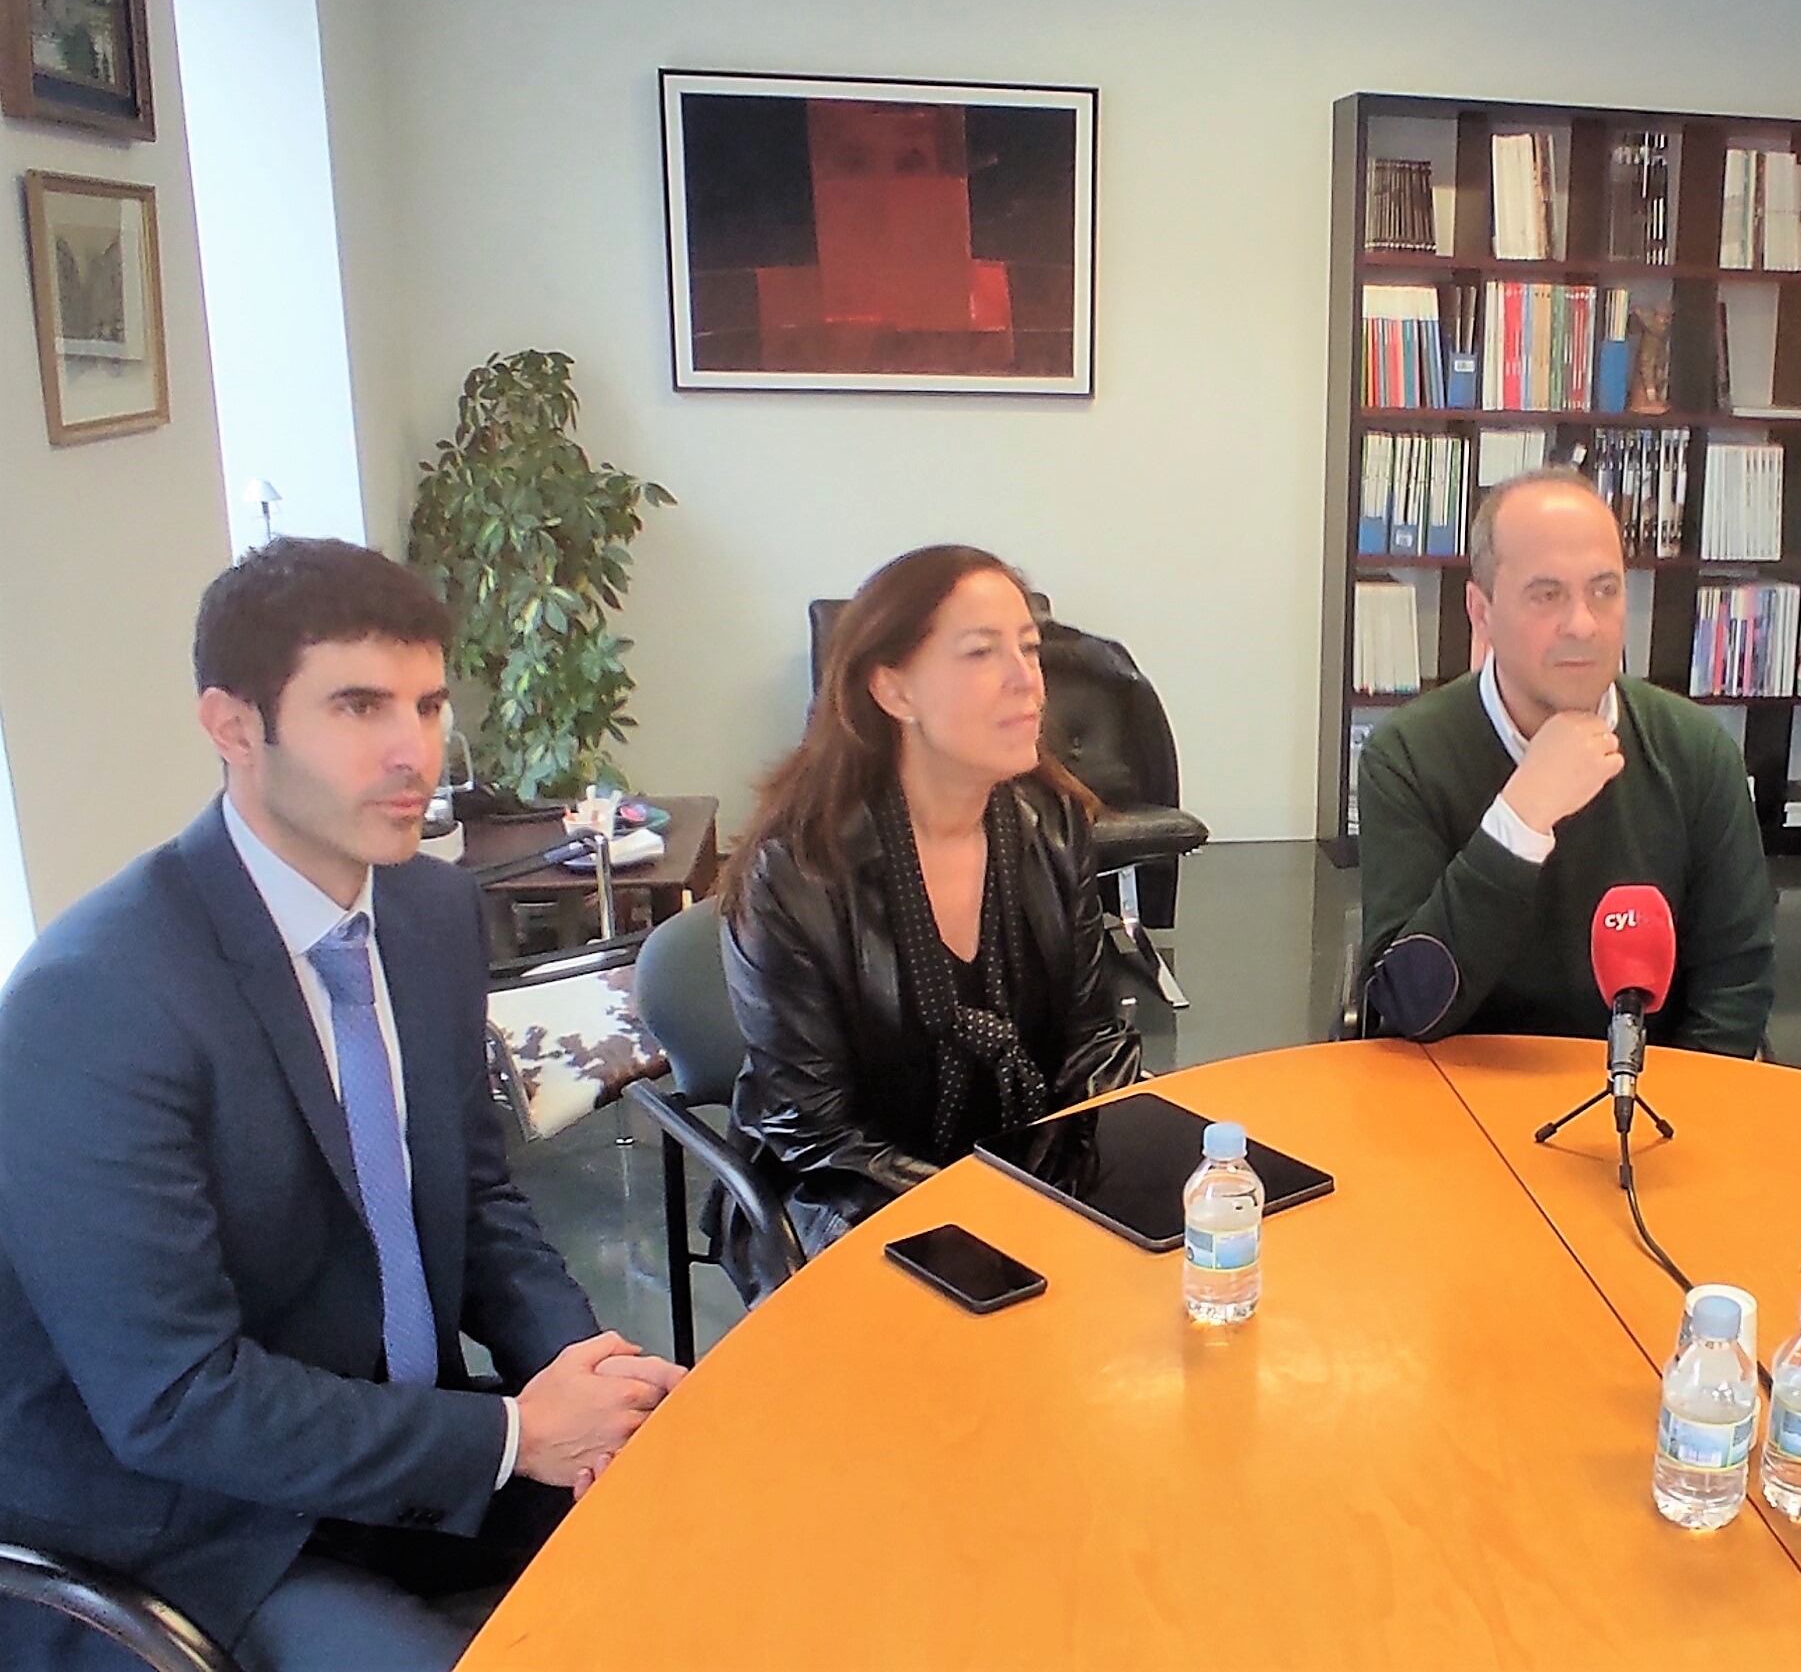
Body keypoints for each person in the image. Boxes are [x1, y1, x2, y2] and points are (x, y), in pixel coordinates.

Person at [0, 539, 684, 1672]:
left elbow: (475, 1195)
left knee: (709, 1538)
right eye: (357, 705)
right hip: (184, 1525)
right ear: (232, 725)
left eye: (425, 703)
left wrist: (590, 1374)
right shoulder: (93, 1004)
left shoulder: (424, 910)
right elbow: (176, 1398)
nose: (410, 749)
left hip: (383, 1441)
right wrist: (517, 1431)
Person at [715, 545, 1141, 1282]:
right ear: (893, 690)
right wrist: (983, 1220)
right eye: (981, 653)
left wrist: (1104, 1184)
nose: (1028, 682)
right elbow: (815, 1134)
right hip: (844, 1199)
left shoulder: (1052, 823)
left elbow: (1091, 1042)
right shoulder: (795, 872)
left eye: (1030, 649)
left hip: (1020, 1176)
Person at [1356, 466, 1774, 1054]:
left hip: (1651, 1105)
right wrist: (1521, 818)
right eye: (1546, 594)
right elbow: (1406, 1010)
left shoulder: (1698, 753)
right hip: (1459, 1102)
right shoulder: (1406, 758)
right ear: (1482, 611)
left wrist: (1670, 1122)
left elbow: (1735, 992)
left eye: (1605, 590)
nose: (1583, 624)